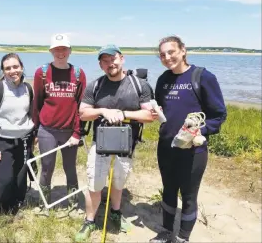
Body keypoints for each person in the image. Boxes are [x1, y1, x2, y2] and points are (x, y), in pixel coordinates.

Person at [75, 44, 158, 241]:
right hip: (100, 143)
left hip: (126, 145)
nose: (110, 63)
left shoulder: (140, 85)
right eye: (105, 60)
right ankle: (89, 220)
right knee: (95, 183)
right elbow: (83, 113)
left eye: (113, 58)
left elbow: (149, 115)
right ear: (101, 64)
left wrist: (124, 114)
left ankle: (115, 212)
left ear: (122, 59)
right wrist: (103, 111)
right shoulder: (95, 86)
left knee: (118, 182)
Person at [149, 36, 227, 243]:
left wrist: (201, 131)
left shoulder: (202, 76)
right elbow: (162, 109)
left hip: (193, 150)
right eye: (162, 55)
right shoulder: (163, 79)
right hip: (166, 147)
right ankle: (166, 233)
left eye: (171, 52)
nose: (167, 58)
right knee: (168, 190)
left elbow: (219, 115)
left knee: (189, 195)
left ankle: (183, 237)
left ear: (183, 50)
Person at [32, 33, 87, 209]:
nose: (60, 52)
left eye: (64, 49)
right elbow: (37, 103)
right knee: (46, 167)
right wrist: (35, 131)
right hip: (47, 130)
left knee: (70, 167)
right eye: (57, 49)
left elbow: (82, 106)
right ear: (51, 51)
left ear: (70, 51)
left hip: (69, 132)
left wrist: (78, 133)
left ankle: (73, 203)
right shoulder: (42, 73)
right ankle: (43, 203)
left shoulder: (78, 74)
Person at [0, 53, 34, 215]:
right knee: (3, 179)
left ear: (22, 67)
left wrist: (34, 135)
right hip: (2, 141)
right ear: (3, 71)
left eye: (15, 66)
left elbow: (30, 114)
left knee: (19, 178)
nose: (12, 71)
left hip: (24, 141)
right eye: (8, 68)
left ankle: (17, 204)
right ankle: (3, 212)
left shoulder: (27, 88)